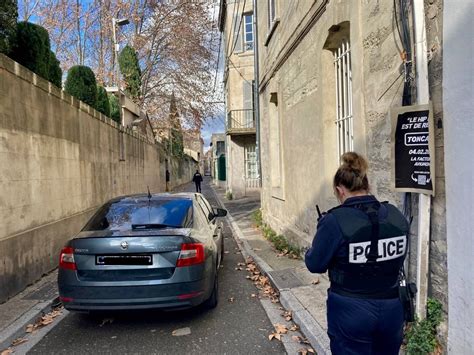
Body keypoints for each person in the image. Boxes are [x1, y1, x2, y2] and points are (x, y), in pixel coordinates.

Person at [305, 152, 409, 355]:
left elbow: (315, 264)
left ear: (339, 190)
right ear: (367, 186)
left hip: (350, 309)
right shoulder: (396, 215)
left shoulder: (335, 221)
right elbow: (400, 256)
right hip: (392, 308)